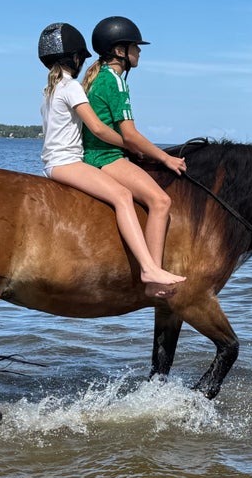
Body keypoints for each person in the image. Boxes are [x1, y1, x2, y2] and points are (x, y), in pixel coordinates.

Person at [38, 22, 186, 295]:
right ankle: (150, 270)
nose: (139, 53)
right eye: (135, 48)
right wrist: (160, 156)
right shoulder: (99, 82)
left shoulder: (60, 87)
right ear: (120, 50)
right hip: (94, 157)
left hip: (71, 158)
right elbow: (104, 130)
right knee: (158, 200)